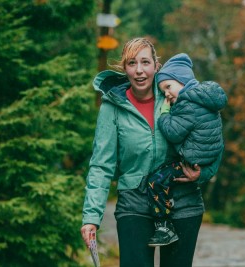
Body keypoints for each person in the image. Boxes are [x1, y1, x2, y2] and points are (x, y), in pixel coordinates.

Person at [80, 38, 223, 267]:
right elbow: (101, 165)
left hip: (183, 201)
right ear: (124, 68)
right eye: (132, 63)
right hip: (134, 204)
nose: (139, 70)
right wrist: (91, 218)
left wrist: (203, 173)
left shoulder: (174, 93)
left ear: (156, 65)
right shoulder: (112, 106)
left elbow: (211, 138)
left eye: (145, 62)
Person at [146, 53, 227, 247]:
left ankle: (164, 227)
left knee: (155, 182)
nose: (166, 94)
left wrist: (164, 114)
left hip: (190, 161)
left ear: (182, 81)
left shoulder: (187, 104)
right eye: (162, 90)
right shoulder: (205, 101)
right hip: (204, 159)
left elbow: (173, 133)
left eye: (168, 87)